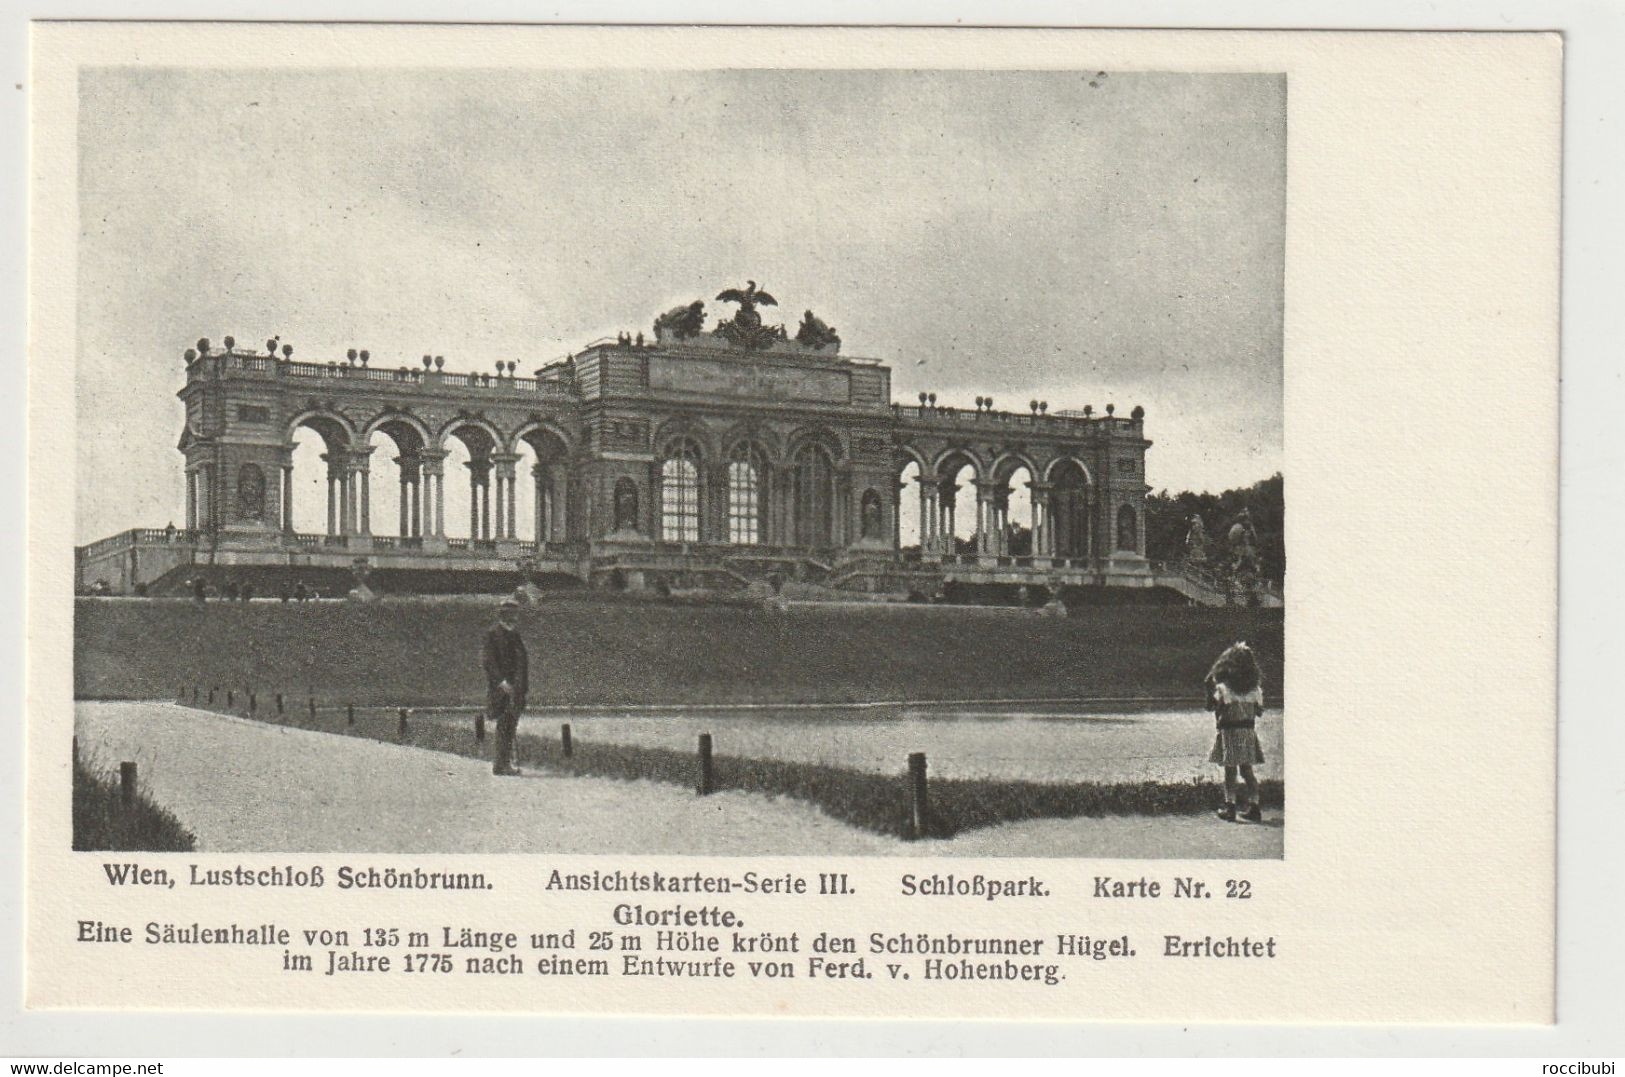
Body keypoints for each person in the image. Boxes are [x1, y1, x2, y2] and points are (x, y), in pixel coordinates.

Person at [1204, 641, 1266, 822]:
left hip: (1229, 731)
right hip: (1247, 732)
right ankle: (1254, 806)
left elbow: (1211, 707)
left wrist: (1209, 689)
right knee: (1247, 771)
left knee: (1230, 771)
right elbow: (1259, 712)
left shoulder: (1224, 689)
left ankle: (1229, 805)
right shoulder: (1256, 690)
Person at [483, 598, 529, 776]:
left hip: (516, 688)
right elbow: (489, 661)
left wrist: (520, 685)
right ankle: (501, 764)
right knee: (503, 726)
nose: (516, 617)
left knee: (510, 725)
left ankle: (504, 763)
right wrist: (501, 682)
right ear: (504, 615)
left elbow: (521, 662)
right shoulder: (493, 634)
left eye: (516, 613)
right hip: (501, 689)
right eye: (512, 613)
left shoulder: (514, 634)